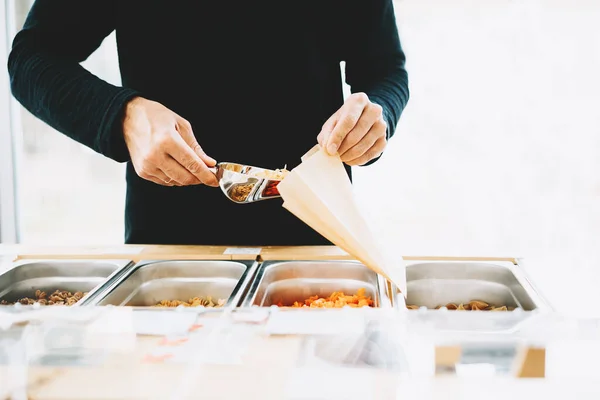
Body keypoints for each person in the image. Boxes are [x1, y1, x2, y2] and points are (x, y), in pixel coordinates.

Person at [8, 0, 409, 246]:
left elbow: (385, 68)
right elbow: (32, 60)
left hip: (315, 235)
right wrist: (122, 115)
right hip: (171, 244)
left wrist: (377, 115)